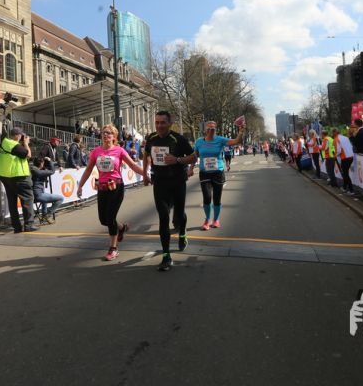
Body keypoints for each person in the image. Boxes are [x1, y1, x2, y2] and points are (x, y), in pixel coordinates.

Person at [78, 125, 145, 261]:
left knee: (110, 218)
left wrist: (146, 174)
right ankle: (122, 227)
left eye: (108, 133)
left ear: (114, 136)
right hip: (102, 188)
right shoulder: (96, 152)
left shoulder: (119, 150)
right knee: (103, 220)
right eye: (103, 133)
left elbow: (132, 165)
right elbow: (88, 170)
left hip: (116, 187)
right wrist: (80, 186)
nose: (105, 135)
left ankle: (113, 248)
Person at [143, 111, 196, 272]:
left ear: (170, 124)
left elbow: (193, 157)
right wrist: (144, 173)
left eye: (163, 122)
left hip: (177, 182)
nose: (159, 126)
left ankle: (182, 234)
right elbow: (146, 154)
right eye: (157, 122)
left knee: (179, 215)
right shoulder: (151, 138)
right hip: (159, 182)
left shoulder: (178, 139)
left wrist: (177, 160)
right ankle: (166, 256)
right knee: (163, 217)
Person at [190, 120, 245, 230]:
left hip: (218, 173)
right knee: (207, 197)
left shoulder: (220, 140)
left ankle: (216, 219)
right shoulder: (199, 141)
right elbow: (195, 155)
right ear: (205, 130)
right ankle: (207, 219)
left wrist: (241, 131)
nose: (211, 130)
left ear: (215, 130)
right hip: (204, 173)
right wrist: (191, 168)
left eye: (213, 128)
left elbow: (236, 141)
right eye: (209, 128)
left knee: (216, 198)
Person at [0, 128, 37, 233]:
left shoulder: (4, 143)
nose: (22, 138)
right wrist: (26, 143)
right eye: (22, 136)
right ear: (17, 135)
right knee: (27, 200)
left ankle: (17, 227)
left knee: (12, 202)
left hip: (6, 176)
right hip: (18, 176)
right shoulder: (13, 145)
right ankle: (29, 225)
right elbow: (28, 155)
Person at [31, 157, 63, 223]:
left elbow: (50, 167)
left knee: (45, 197)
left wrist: (55, 163)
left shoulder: (32, 169)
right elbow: (52, 171)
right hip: (37, 195)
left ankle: (44, 215)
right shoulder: (37, 171)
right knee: (61, 198)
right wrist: (50, 160)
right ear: (41, 163)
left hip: (34, 194)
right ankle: (48, 214)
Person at [333, 129, 355, 193]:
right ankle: (344, 187)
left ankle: (351, 190)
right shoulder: (345, 137)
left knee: (345, 174)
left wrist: (335, 155)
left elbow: (338, 150)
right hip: (351, 156)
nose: (332, 134)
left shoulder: (336, 139)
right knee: (345, 173)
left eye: (333, 132)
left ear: (335, 133)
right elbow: (351, 146)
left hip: (345, 157)